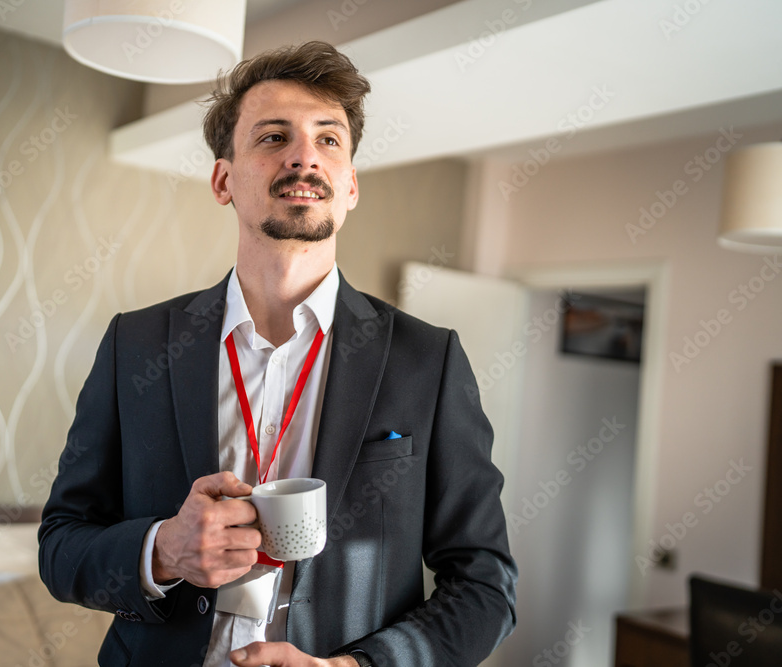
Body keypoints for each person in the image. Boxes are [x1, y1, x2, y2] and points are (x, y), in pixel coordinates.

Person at [38, 41, 517, 667]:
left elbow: (486, 585)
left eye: (328, 140)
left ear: (349, 187)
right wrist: (165, 550)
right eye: (272, 137)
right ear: (223, 179)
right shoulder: (136, 344)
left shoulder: (429, 361)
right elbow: (61, 547)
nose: (303, 157)